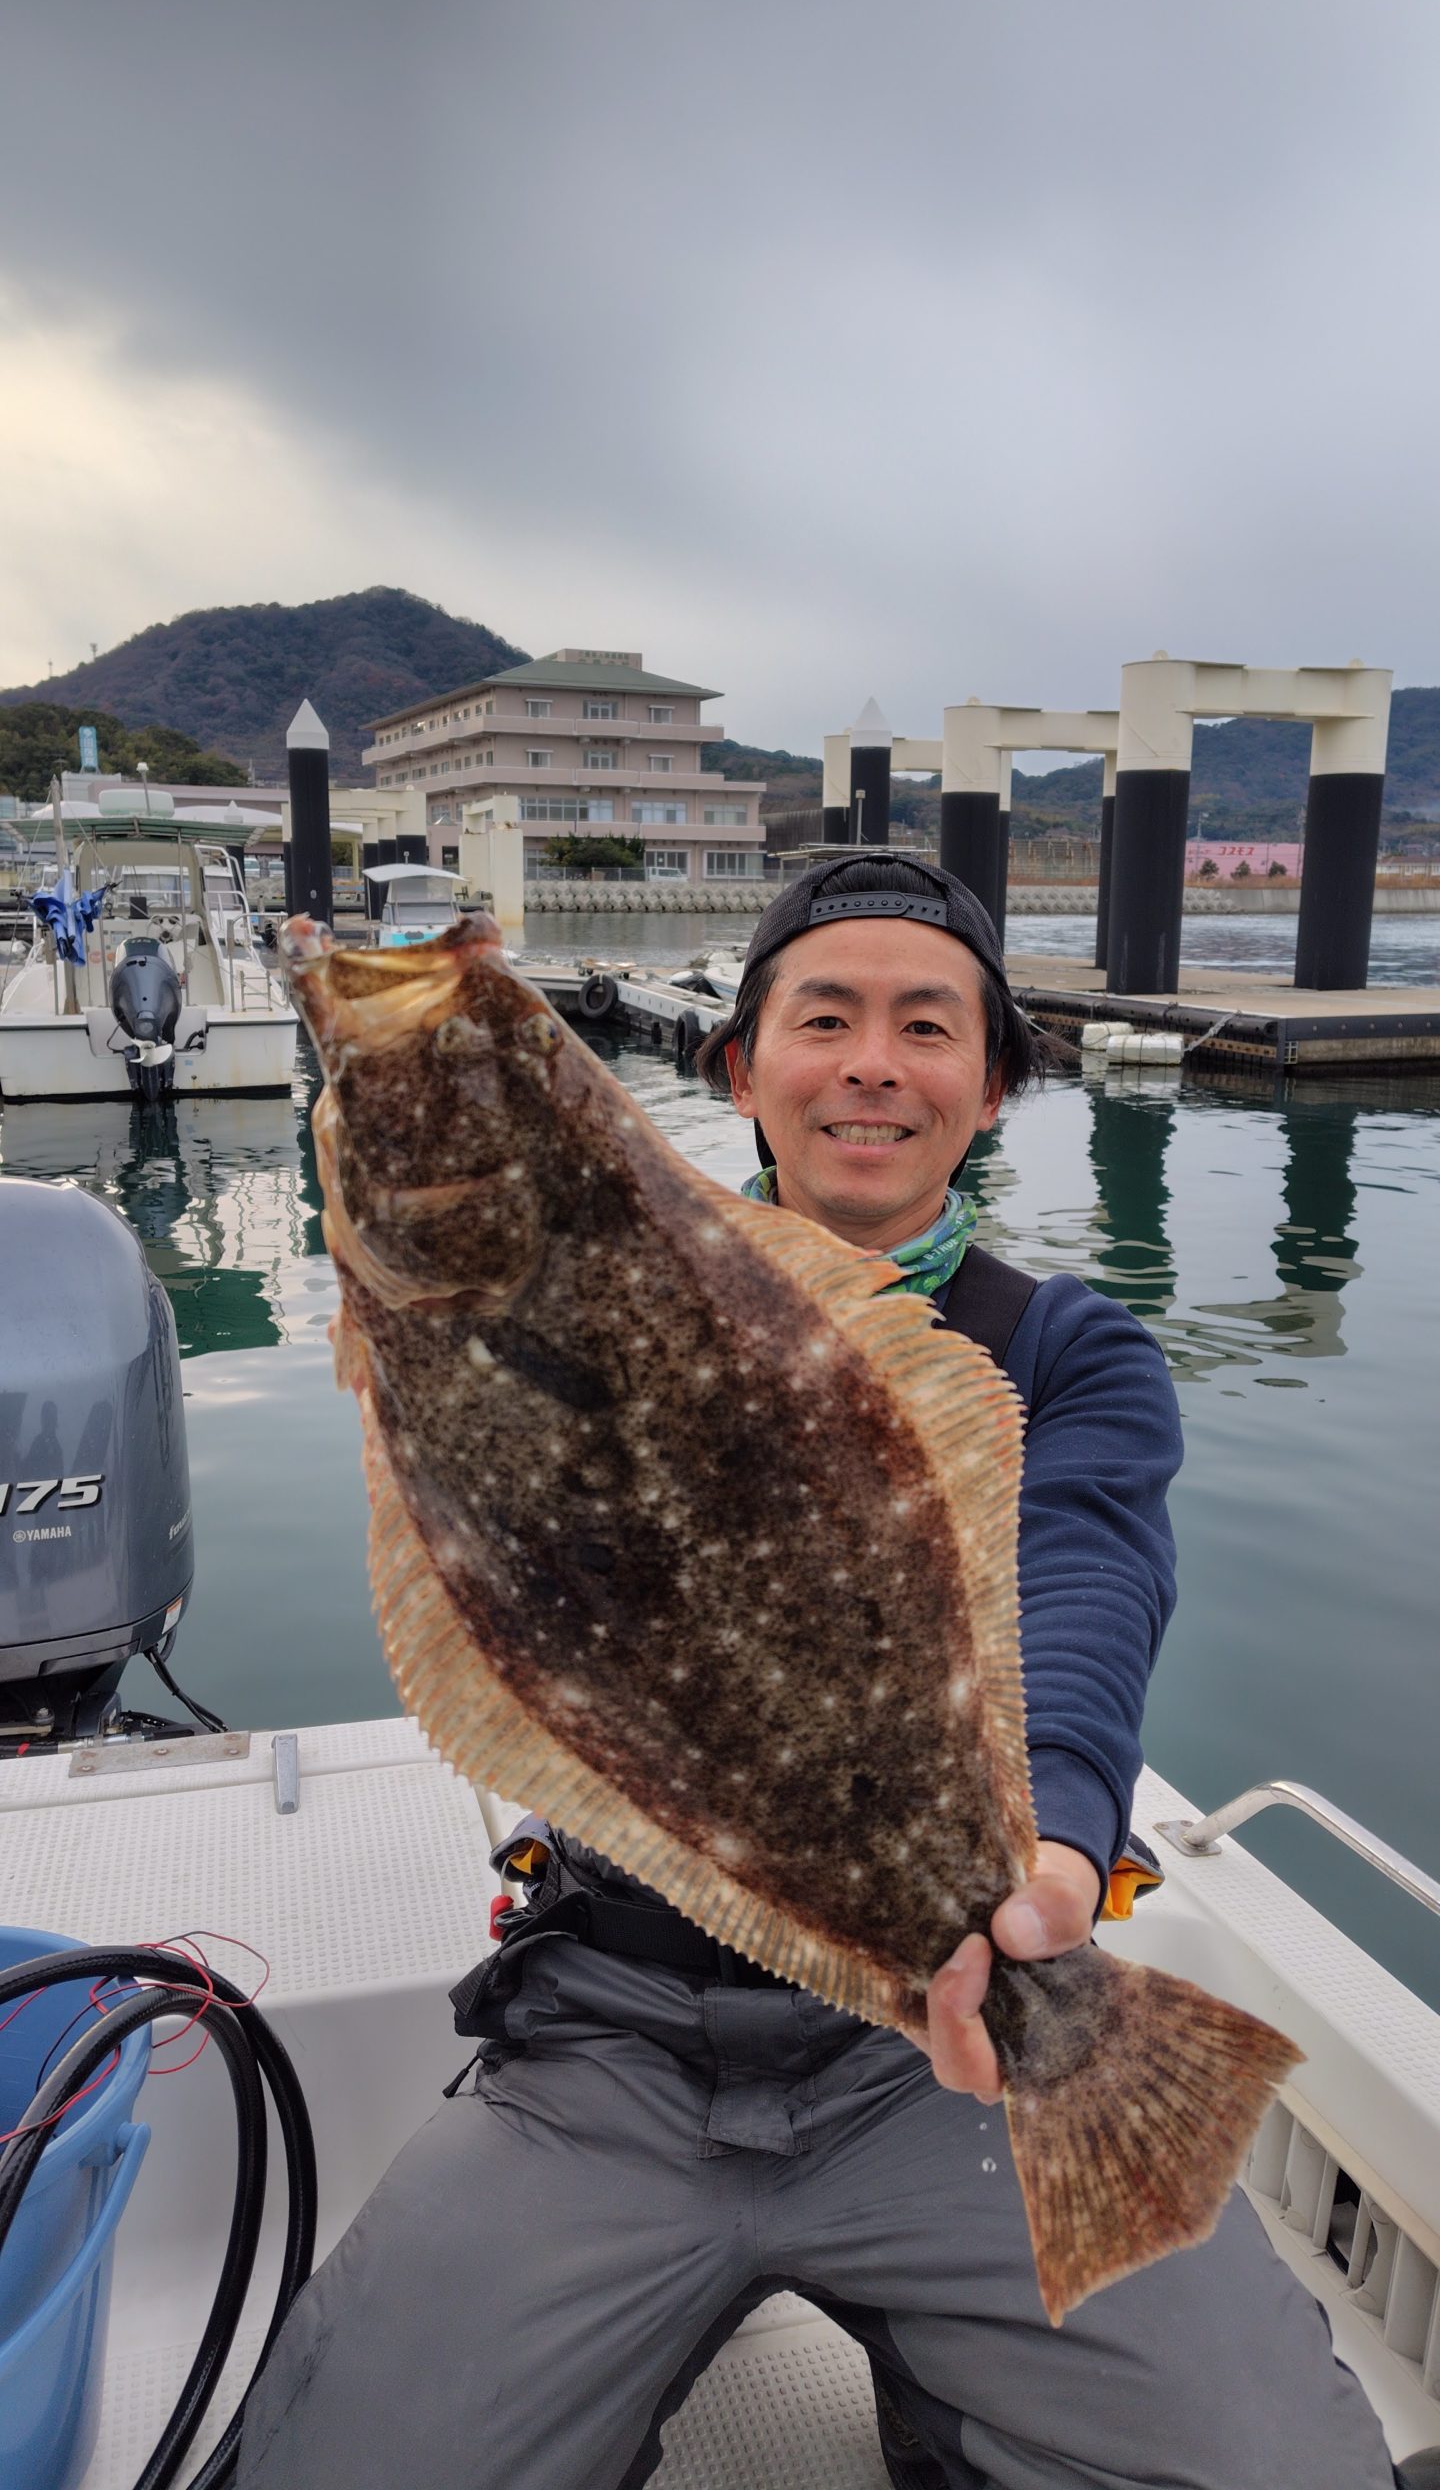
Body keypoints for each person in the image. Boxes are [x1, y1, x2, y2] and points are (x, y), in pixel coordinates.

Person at [239, 853, 1405, 2490]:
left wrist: (1053, 1867)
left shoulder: (1069, 1352)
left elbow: (1087, 1593)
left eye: (928, 1026)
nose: (873, 1061)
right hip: (615, 2032)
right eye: (825, 1017)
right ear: (741, 1071)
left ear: (993, 1085)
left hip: (948, 2045)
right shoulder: (550, 1270)